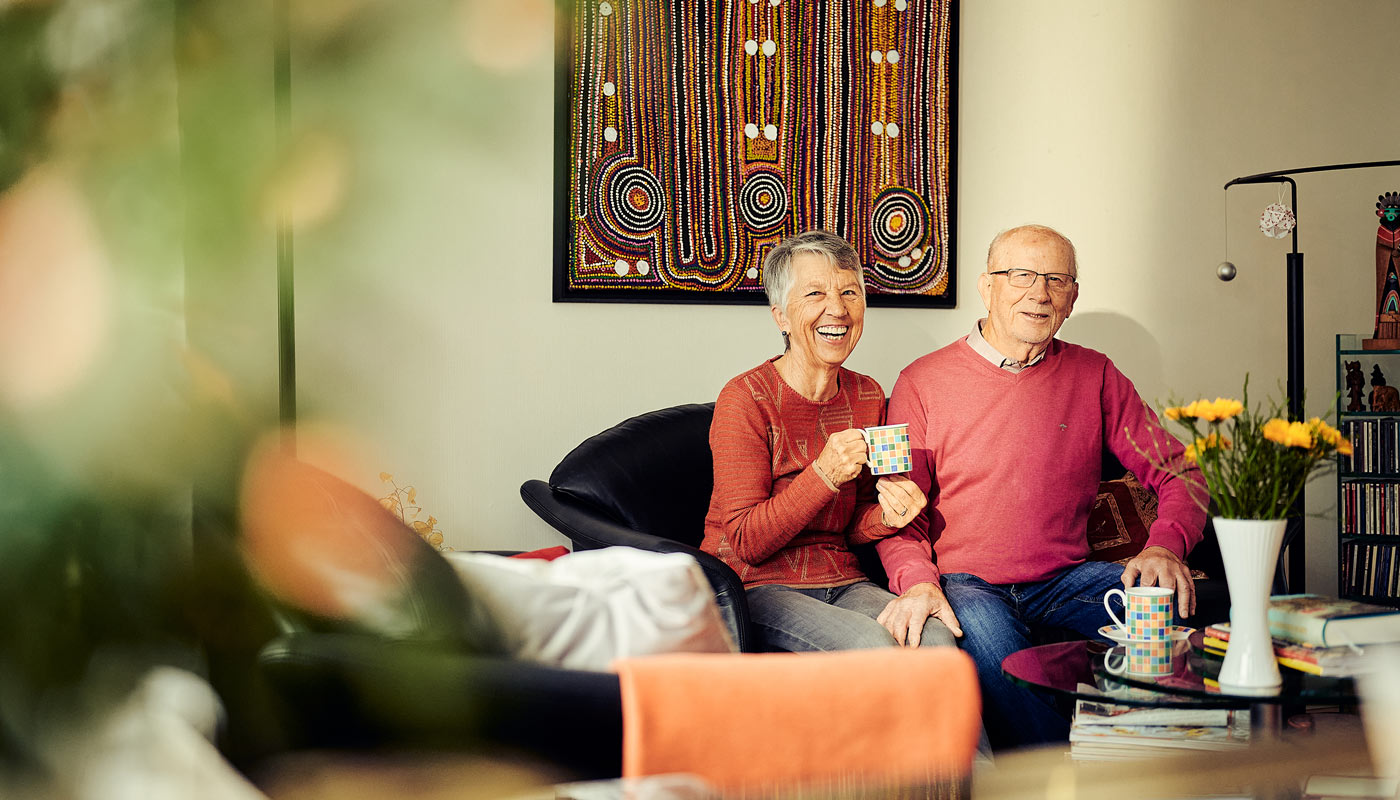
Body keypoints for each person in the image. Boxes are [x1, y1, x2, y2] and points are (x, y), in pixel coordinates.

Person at [875, 224, 1207, 750]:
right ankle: (1060, 780)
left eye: (1056, 279)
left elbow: (1179, 470)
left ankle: (1172, 763)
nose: (1039, 292)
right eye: (1021, 275)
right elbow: (897, 513)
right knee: (995, 656)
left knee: (1172, 613)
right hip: (968, 584)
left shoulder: (1095, 374)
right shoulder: (920, 382)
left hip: (1066, 581)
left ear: (1072, 298)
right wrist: (918, 580)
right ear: (986, 286)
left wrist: (1165, 544)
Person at [699, 229, 956, 653]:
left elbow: (848, 526)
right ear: (781, 316)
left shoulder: (867, 394)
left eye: (850, 293)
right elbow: (747, 540)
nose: (837, 309)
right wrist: (823, 473)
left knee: (936, 639)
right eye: (815, 293)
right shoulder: (745, 398)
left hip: (844, 579)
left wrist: (888, 518)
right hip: (755, 586)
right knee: (875, 646)